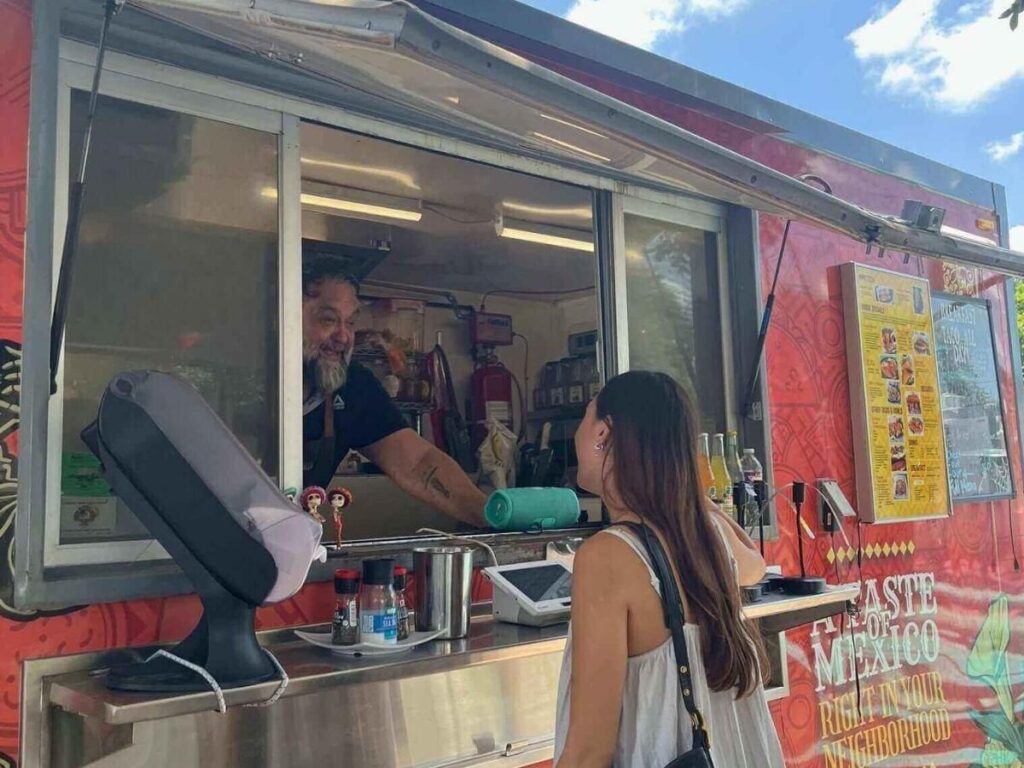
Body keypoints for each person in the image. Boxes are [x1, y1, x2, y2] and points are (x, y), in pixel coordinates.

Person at [555, 371, 785, 768]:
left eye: (585, 418)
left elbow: (589, 752)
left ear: (603, 435)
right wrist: (685, 488)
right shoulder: (706, 535)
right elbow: (754, 565)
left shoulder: (607, 557)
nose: (576, 434)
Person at [301, 255, 486, 526]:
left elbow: (417, 462)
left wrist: (492, 515)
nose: (343, 336)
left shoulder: (353, 386)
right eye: (328, 320)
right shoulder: (249, 383)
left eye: (350, 322)